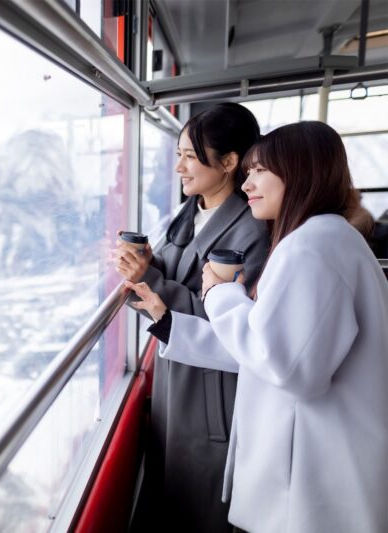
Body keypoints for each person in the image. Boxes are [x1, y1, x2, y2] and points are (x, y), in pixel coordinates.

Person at [127, 121, 388, 532]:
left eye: (260, 171)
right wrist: (168, 321)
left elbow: (289, 369)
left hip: (312, 479)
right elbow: (270, 347)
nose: (247, 184)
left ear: (301, 173)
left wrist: (220, 294)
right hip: (325, 464)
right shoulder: (326, 239)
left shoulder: (310, 249)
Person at [115, 103, 270, 533]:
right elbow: (176, 281)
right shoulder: (189, 213)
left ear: (229, 162)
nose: (178, 166)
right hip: (176, 381)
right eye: (178, 153)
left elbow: (229, 321)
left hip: (212, 392)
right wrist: (146, 266)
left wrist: (149, 278)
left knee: (201, 508)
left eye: (189, 156)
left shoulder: (251, 231)